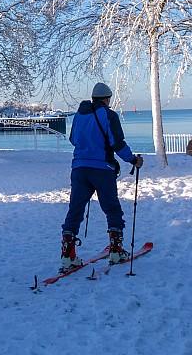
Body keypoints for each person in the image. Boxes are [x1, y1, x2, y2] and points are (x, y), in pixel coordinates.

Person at [60, 83, 143, 271]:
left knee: (75, 210)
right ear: (107, 99)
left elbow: (73, 140)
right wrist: (132, 159)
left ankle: (68, 255)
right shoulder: (109, 115)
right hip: (102, 170)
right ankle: (116, 250)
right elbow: (117, 143)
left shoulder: (79, 116)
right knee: (112, 209)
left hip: (79, 168)